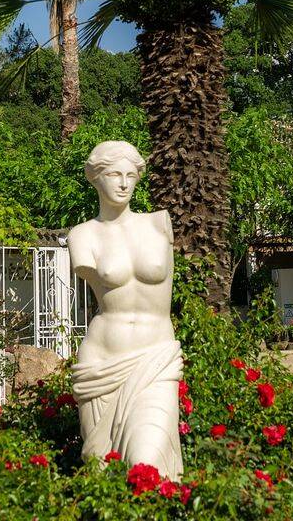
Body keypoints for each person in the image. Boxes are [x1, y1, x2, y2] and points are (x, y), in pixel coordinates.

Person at [69, 140, 183, 478]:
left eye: (130, 176)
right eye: (114, 175)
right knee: (102, 475)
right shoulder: (83, 235)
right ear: (95, 178)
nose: (123, 183)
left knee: (148, 463)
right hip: (102, 362)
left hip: (155, 357)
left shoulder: (158, 224)